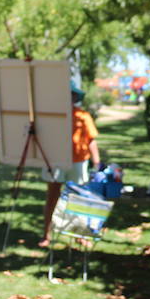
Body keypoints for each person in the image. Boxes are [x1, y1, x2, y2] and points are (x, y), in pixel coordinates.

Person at [40, 84, 101, 246]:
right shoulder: (52, 116)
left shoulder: (83, 115)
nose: (68, 98)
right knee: (52, 197)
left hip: (78, 161)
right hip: (55, 160)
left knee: (78, 198)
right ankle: (46, 234)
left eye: (72, 95)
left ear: (75, 98)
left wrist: (97, 162)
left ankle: (79, 235)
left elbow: (91, 140)